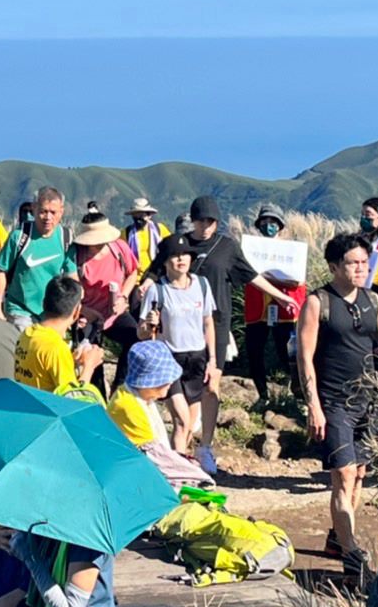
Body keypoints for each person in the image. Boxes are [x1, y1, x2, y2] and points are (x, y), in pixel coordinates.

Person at [296, 235, 378, 579]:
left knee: (359, 474)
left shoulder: (372, 300)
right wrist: (313, 405)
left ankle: (337, 536)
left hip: (368, 400)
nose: (360, 268)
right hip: (333, 401)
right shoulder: (318, 303)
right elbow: (304, 357)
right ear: (334, 267)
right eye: (352, 263)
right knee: (343, 475)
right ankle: (351, 555)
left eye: (364, 262)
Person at [155, 196, 274, 475]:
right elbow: (154, 273)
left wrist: (280, 297)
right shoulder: (180, 247)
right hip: (178, 328)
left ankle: (204, 447)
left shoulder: (227, 247)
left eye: (211, 221)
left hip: (215, 327)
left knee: (210, 386)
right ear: (192, 220)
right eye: (201, 220)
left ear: (217, 222)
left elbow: (251, 276)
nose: (205, 226)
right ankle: (180, 447)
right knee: (179, 391)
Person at [139, 239, 215, 453]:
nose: (181, 259)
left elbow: (208, 323)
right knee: (181, 421)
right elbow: (142, 333)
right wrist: (148, 324)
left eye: (185, 254)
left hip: (197, 358)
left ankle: (182, 463)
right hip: (169, 360)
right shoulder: (157, 290)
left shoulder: (202, 285)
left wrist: (213, 360)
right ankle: (178, 473)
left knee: (190, 424)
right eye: (174, 255)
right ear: (164, 261)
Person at [105, 339, 214, 488]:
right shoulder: (129, 408)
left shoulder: (135, 396)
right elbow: (156, 456)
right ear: (150, 381)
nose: (171, 382)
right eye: (166, 378)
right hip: (134, 476)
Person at [70, 204, 140, 392]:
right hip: (87, 315)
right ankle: (98, 400)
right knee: (92, 365)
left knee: (135, 338)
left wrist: (123, 296)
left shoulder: (119, 248)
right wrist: (84, 312)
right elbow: (71, 289)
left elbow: (133, 272)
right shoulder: (76, 254)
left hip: (114, 312)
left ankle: (120, 386)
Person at [241, 204, 306, 397]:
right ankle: (263, 394)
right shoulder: (250, 249)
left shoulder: (292, 251)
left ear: (280, 225)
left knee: (287, 352)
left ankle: (296, 393)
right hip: (257, 307)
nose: (268, 226)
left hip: (284, 308)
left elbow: (299, 280)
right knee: (254, 351)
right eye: (264, 222)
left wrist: (267, 278)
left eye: (272, 222)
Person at [0, 187, 75, 331]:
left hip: (51, 312)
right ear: (34, 208)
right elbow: (1, 270)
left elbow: (72, 276)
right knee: (28, 347)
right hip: (20, 309)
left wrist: (73, 309)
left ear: (61, 211)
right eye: (43, 211)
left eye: (53, 212)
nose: (48, 217)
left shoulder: (66, 238)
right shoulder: (19, 236)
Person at [13, 276, 104, 393]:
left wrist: (72, 360)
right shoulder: (56, 349)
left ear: (43, 303)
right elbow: (72, 400)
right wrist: (89, 366)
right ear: (77, 312)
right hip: (45, 410)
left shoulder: (27, 333)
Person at [125, 197, 170, 274]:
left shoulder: (160, 230)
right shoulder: (126, 233)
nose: (139, 219)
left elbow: (170, 247)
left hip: (156, 275)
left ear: (149, 215)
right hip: (135, 278)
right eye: (136, 216)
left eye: (142, 215)